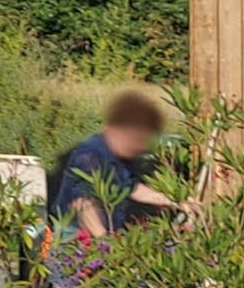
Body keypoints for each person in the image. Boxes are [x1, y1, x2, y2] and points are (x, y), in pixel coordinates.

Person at [50, 83, 176, 240]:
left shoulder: (122, 155)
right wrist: (104, 240)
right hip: (74, 233)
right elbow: (83, 203)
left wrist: (174, 201)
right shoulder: (90, 155)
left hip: (105, 230)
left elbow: (132, 188)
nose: (140, 146)